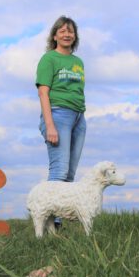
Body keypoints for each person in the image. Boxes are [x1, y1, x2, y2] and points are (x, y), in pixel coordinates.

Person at [36, 16, 86, 227]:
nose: (67, 35)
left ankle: (59, 221)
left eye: (71, 31)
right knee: (59, 169)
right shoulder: (49, 59)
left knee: (71, 172)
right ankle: (49, 221)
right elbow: (43, 92)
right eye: (62, 31)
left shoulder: (78, 62)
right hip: (58, 115)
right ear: (55, 35)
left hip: (78, 117)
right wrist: (50, 125)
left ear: (75, 36)